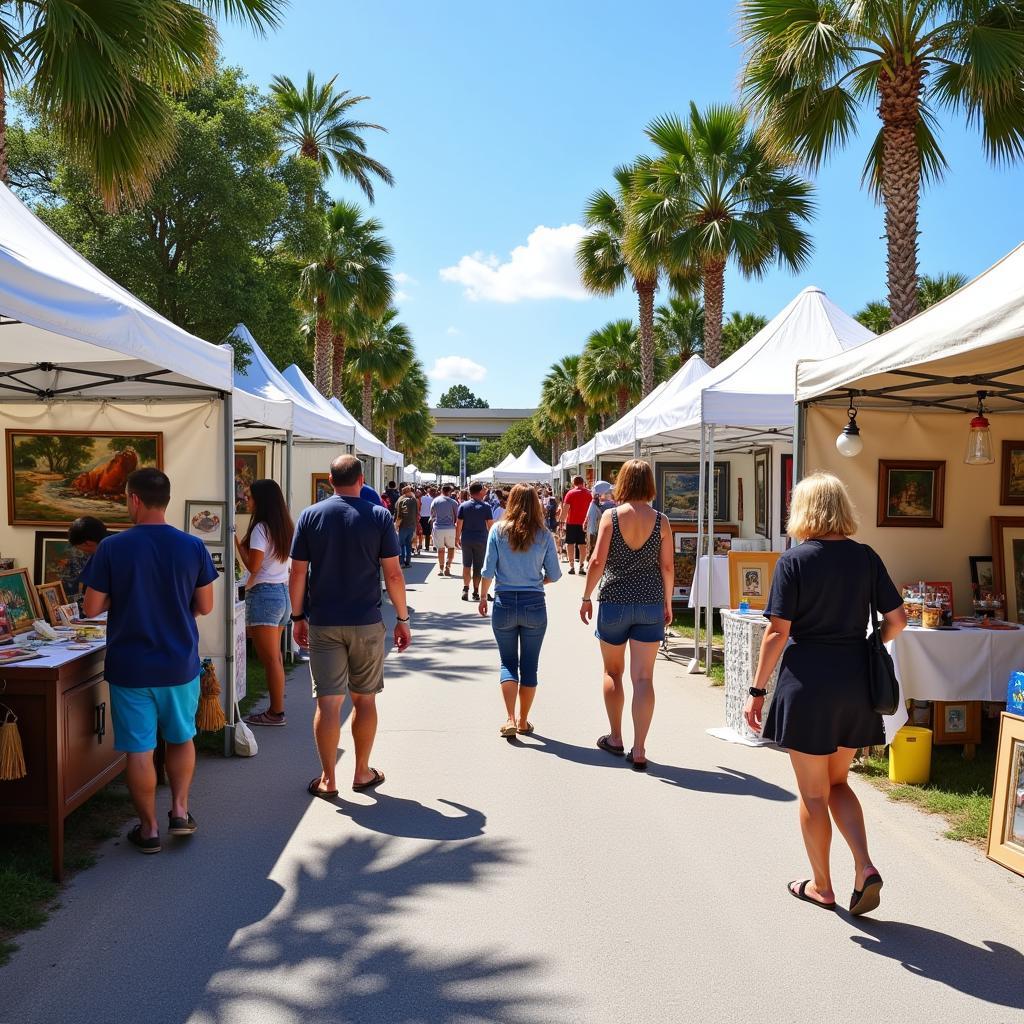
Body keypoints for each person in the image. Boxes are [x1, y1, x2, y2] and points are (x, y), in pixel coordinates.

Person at [743, 472, 907, 917]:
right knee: (838, 783)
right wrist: (874, 643)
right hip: (855, 682)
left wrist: (756, 690)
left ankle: (821, 886)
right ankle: (865, 866)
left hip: (808, 685)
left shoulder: (795, 561)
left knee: (813, 794)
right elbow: (898, 619)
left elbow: (778, 632)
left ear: (803, 509)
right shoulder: (866, 557)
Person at [81, 469, 217, 854]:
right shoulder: (192, 546)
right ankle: (179, 809)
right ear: (167, 500)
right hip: (178, 663)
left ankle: (149, 829)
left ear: (135, 499)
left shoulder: (112, 548)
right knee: (180, 737)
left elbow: (92, 608)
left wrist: (118, 597)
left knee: (139, 749)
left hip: (130, 665)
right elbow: (205, 606)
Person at [290, 455, 411, 797]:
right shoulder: (378, 516)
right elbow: (393, 573)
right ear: (362, 480)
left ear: (330, 479)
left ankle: (328, 779)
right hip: (366, 621)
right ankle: (361, 771)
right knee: (365, 700)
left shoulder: (311, 516)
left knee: (328, 703)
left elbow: (298, 572)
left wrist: (297, 616)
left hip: (324, 620)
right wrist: (402, 619)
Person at [581, 460, 673, 771]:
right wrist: (668, 603)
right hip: (649, 601)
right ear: (649, 483)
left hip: (615, 600)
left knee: (612, 673)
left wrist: (585, 596)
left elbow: (596, 561)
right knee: (644, 677)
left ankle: (616, 737)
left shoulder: (611, 517)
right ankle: (640, 748)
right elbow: (668, 567)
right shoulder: (662, 521)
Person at [478, 484, 562, 737]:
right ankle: (524, 719)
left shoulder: (498, 531)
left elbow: (487, 571)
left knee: (507, 662)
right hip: (534, 603)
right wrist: (537, 581)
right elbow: (555, 575)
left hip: (504, 601)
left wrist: (483, 596)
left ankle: (510, 718)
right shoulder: (544, 535)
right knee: (529, 665)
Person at [235, 480, 294, 727]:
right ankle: (276, 709)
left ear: (261, 500)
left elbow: (254, 566)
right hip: (281, 593)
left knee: (270, 659)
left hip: (266, 595)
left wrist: (237, 544)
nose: (247, 501)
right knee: (276, 658)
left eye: (250, 497)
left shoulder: (261, 528)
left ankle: (276, 712)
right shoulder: (284, 526)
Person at [456, 482, 494, 603]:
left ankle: (465, 588)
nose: (485, 491)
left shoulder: (463, 506)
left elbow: (459, 524)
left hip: (467, 538)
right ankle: (476, 591)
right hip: (481, 540)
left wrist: (457, 538)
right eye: (483, 489)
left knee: (466, 565)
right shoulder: (486, 507)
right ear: (480, 492)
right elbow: (490, 525)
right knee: (478, 567)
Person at [65, 516, 108, 602]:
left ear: (87, 543)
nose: (84, 552)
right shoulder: (104, 550)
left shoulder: (106, 555)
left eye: (81, 548)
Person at [560, 475, 592, 574]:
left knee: (570, 544)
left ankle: (572, 566)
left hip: (571, 523)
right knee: (582, 544)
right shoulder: (588, 493)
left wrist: (561, 523)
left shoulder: (570, 493)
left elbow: (565, 509)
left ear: (574, 483)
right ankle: (582, 566)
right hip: (584, 523)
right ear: (583, 483)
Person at [583, 481, 616, 572]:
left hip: (595, 533)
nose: (611, 494)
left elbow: (589, 518)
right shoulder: (607, 505)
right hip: (598, 533)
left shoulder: (595, 504)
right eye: (609, 492)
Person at [430, 484, 459, 577]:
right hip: (450, 528)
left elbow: (432, 515)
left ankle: (441, 568)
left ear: (442, 491)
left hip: (438, 527)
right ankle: (448, 566)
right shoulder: (453, 502)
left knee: (440, 549)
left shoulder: (435, 501)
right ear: (450, 492)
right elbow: (457, 516)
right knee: (451, 548)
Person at [394, 485, 419, 568]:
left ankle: (401, 562)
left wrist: (396, 525)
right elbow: (417, 513)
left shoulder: (401, 500)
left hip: (403, 525)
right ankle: (408, 562)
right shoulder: (414, 501)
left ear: (403, 492)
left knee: (401, 544)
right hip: (412, 525)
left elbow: (400, 515)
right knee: (408, 544)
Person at [419, 486, 436, 552]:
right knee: (428, 533)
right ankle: (427, 546)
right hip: (429, 517)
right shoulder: (431, 499)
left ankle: (420, 545)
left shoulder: (419, 499)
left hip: (421, 517)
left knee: (420, 532)